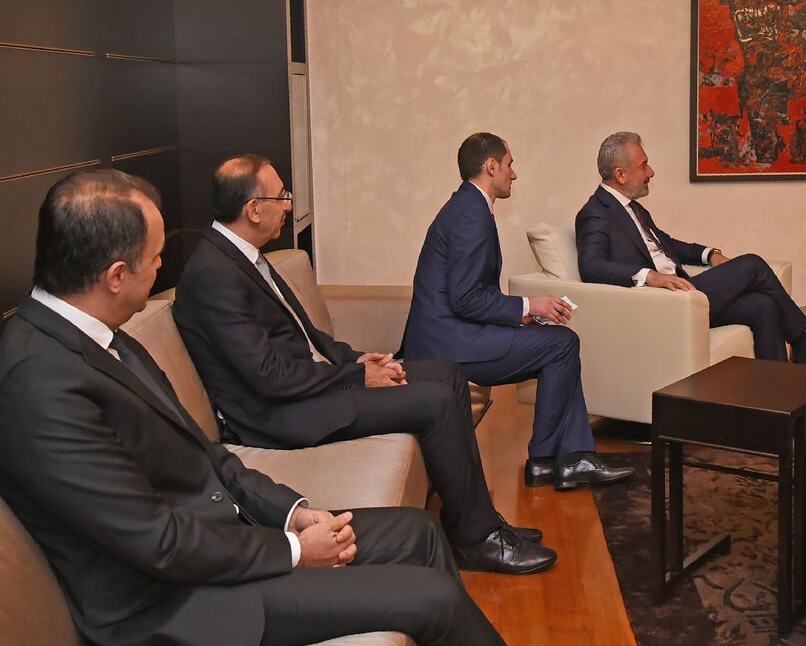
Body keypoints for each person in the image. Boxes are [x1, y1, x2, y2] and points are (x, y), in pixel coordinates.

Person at [0, 168, 506, 646]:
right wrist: (294, 551)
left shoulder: (104, 335)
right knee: (434, 599)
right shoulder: (39, 382)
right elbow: (157, 541)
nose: (160, 268)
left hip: (220, 544)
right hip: (175, 603)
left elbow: (208, 456)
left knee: (420, 530)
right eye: (155, 258)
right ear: (115, 276)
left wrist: (292, 514)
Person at [173, 155, 554, 575]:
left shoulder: (246, 257)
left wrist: (357, 359)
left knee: (447, 373)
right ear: (253, 209)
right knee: (436, 402)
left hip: (309, 388)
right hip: (279, 413)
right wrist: (357, 377)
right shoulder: (214, 274)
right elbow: (268, 376)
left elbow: (305, 336)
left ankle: (471, 517)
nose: (288, 205)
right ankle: (477, 540)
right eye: (281, 197)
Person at [574, 131, 806, 443]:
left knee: (763, 306)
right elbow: (591, 266)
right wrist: (650, 276)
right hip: (663, 307)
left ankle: (783, 420)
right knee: (752, 264)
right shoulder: (595, 213)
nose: (651, 172)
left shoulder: (634, 209)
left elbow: (667, 244)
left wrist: (708, 254)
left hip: (685, 299)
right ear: (620, 174)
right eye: (644, 165)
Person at [403, 133, 634, 492]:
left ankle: (566, 460)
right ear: (490, 166)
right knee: (561, 345)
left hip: (451, 334)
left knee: (559, 344)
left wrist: (523, 315)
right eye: (509, 164)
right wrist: (528, 305)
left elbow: (470, 293)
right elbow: (465, 299)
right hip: (447, 345)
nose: (514, 174)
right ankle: (551, 459)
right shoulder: (470, 213)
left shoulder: (467, 206)